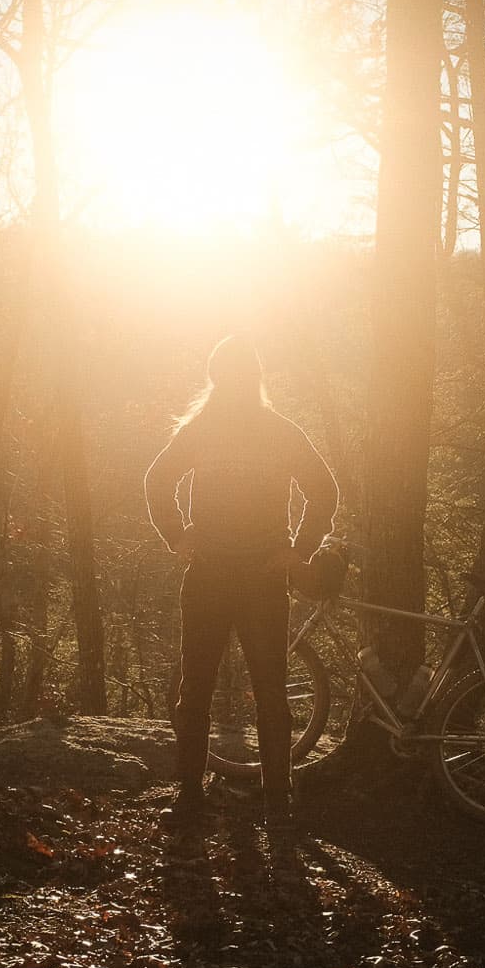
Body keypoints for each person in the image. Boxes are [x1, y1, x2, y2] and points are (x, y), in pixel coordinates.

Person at [146, 336, 339, 820]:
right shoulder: (223, 430)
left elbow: (324, 491)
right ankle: (241, 799)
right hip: (225, 574)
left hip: (249, 576)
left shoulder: (253, 430)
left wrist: (298, 550)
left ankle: (232, 799)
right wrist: (177, 536)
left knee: (235, 691)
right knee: (230, 690)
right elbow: (157, 480)